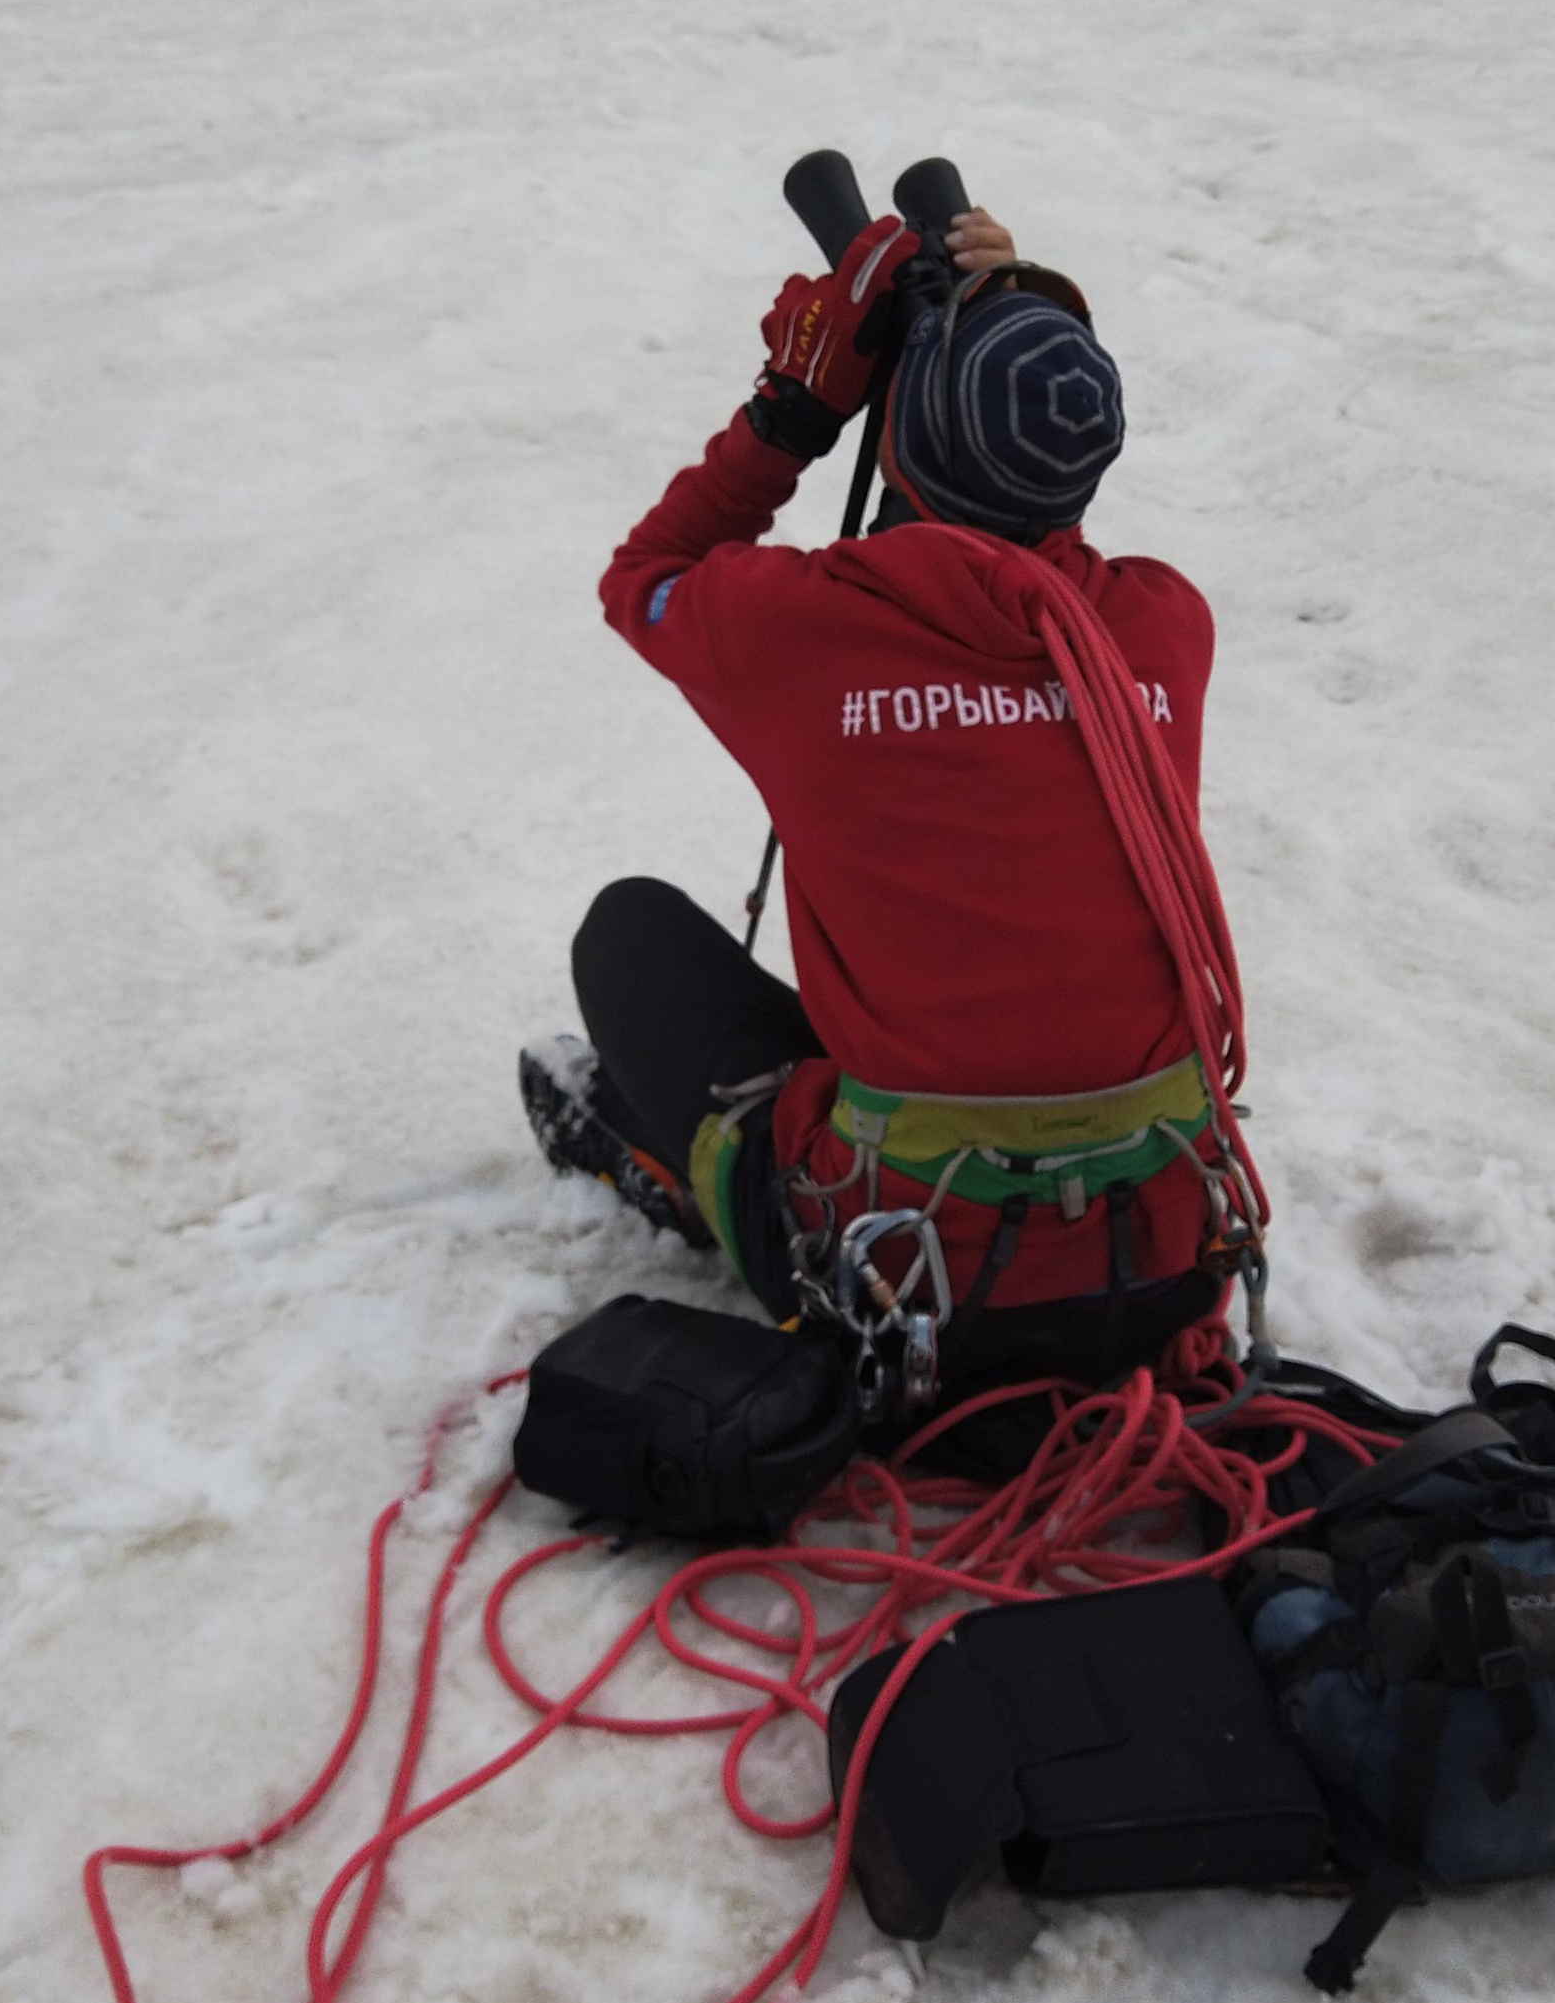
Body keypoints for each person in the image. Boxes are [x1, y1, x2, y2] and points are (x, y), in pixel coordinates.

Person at [522, 198, 1265, 1403]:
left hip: (913, 1296)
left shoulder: (802, 633)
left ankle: (707, 1179)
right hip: (1164, 1272)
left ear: (908, 441)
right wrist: (1018, 335)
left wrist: (796, 406)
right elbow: (1036, 546)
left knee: (632, 930)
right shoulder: (1163, 627)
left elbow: (643, 576)